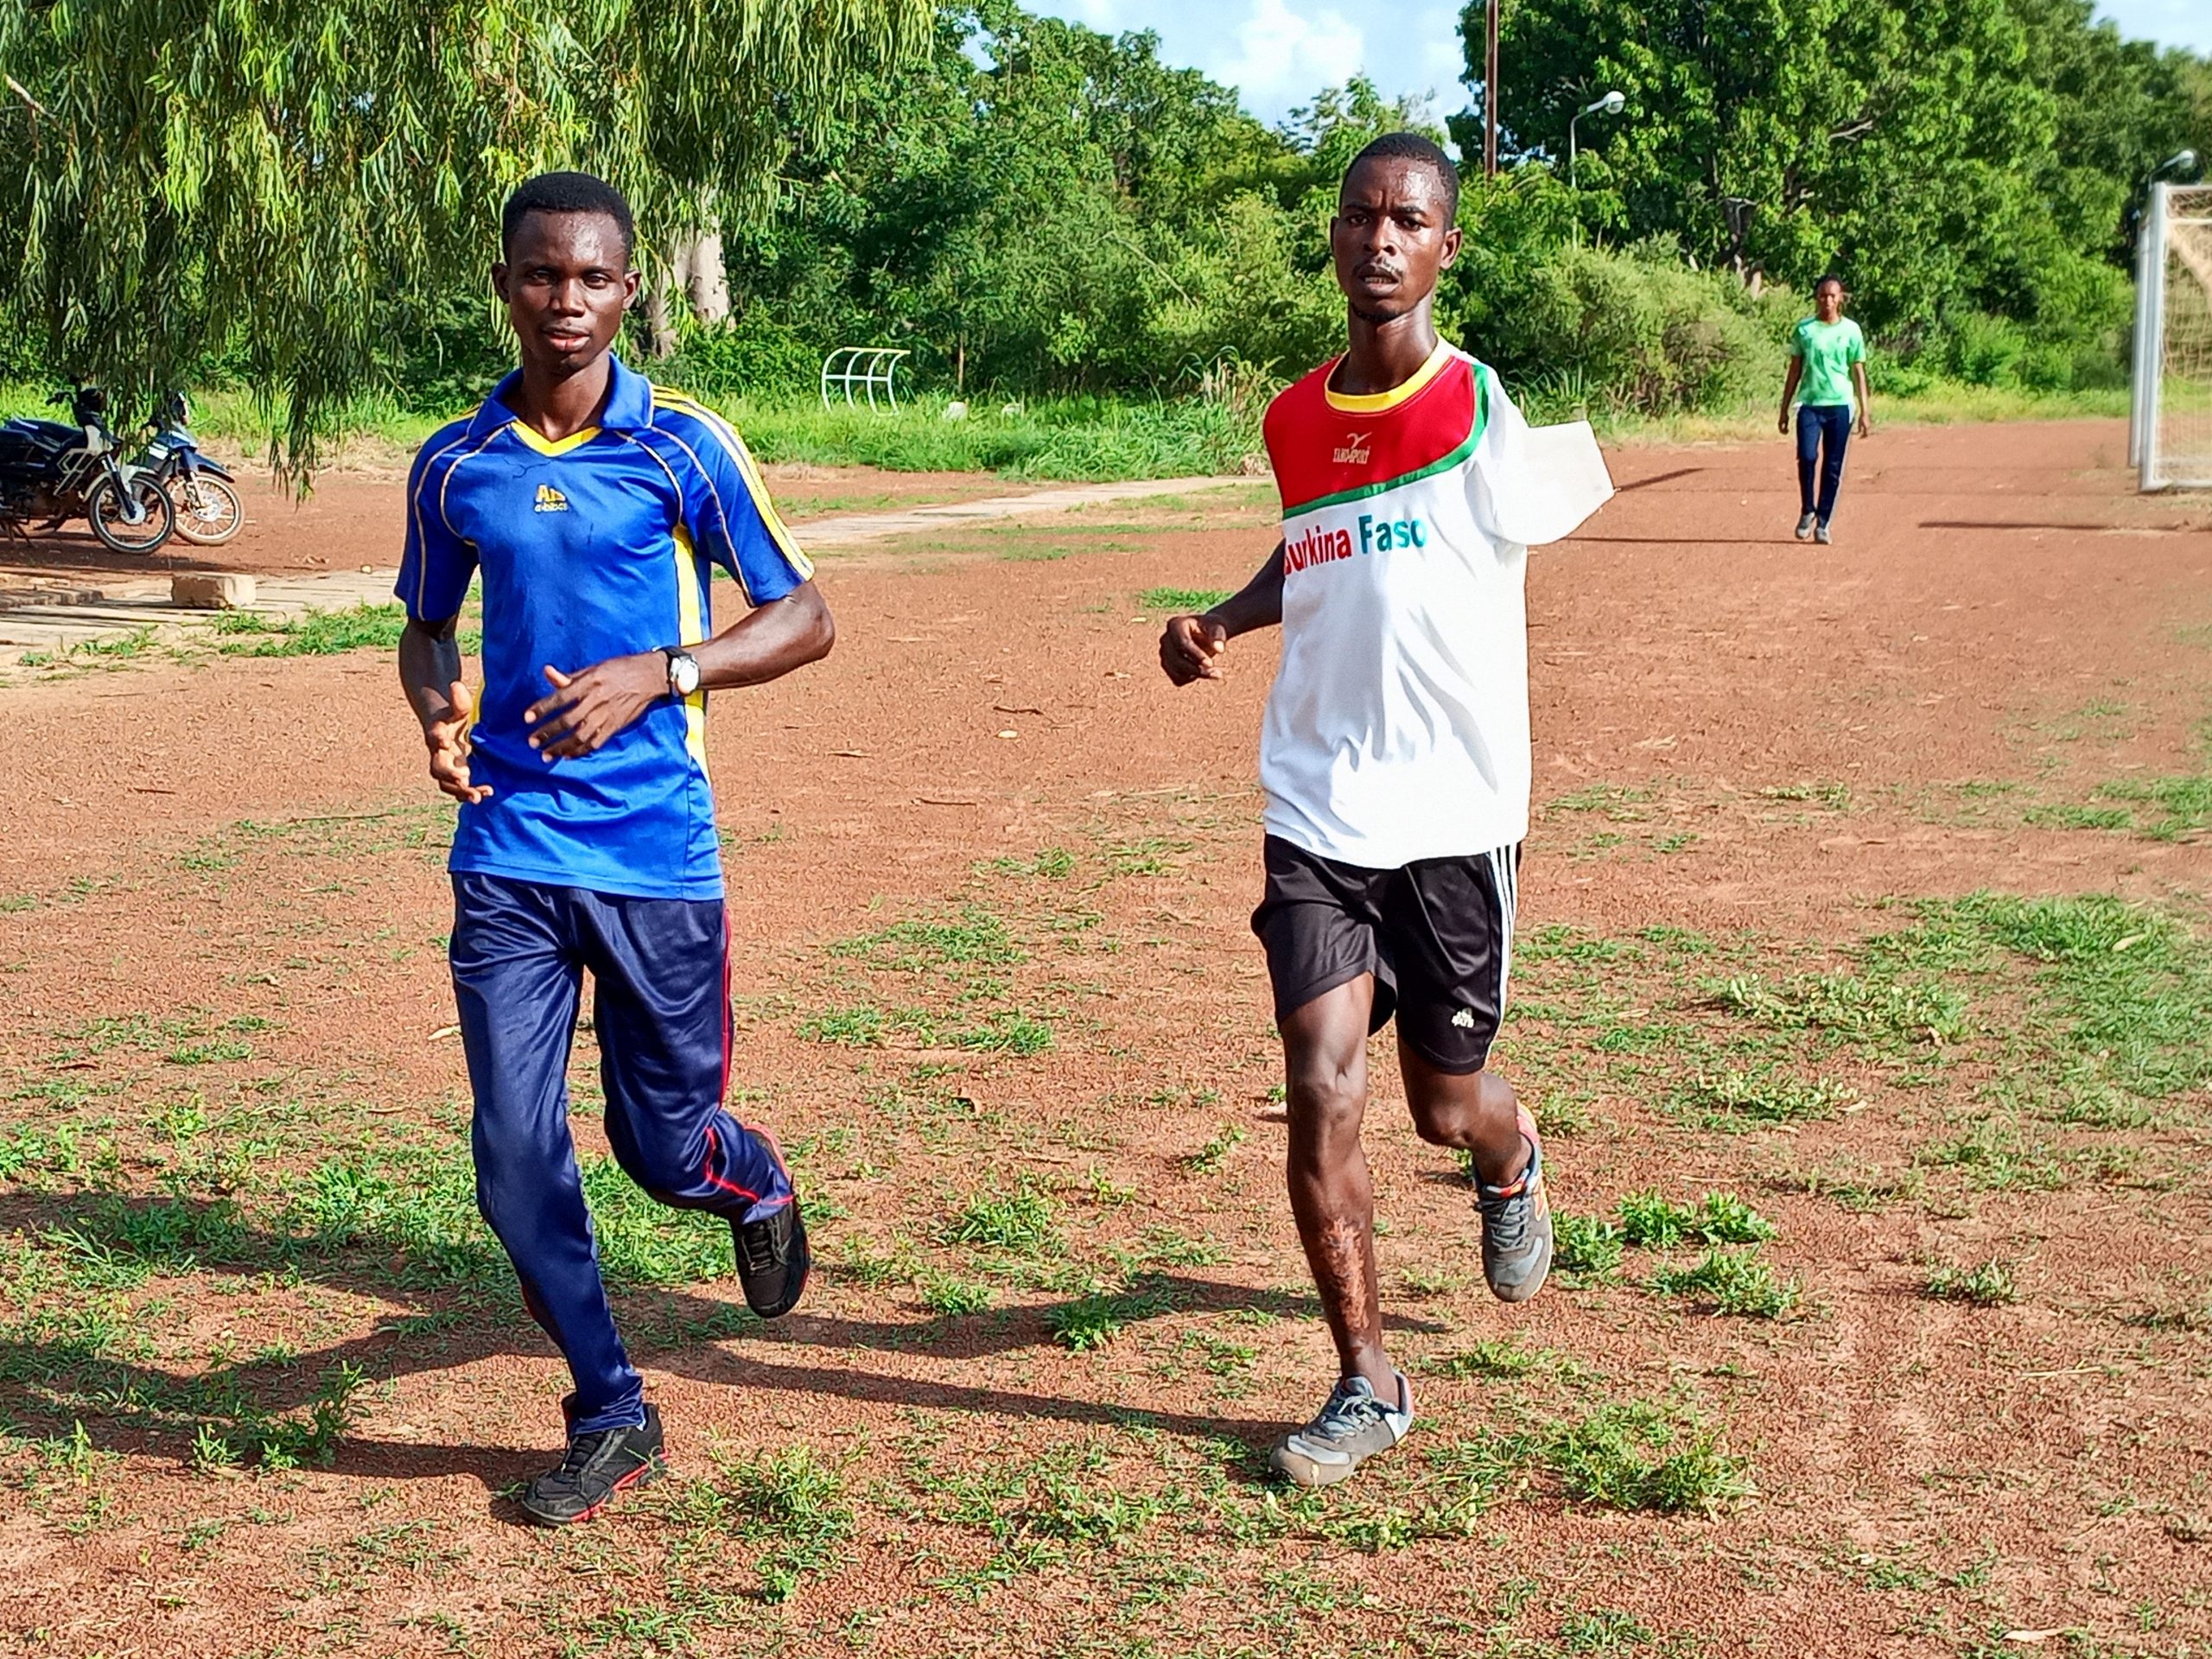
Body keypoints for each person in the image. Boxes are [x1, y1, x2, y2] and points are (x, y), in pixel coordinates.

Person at [1157, 133, 1612, 1488]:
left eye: (1408, 219)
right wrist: (1224, 621)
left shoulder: (1482, 411)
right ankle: (1367, 1382)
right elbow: (1315, 545)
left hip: (1458, 814)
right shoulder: (1294, 417)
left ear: (1444, 247)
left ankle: (1511, 1154)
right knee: (1319, 1084)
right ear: (1336, 235)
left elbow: (1547, 504)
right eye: (1359, 216)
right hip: (1317, 801)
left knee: (1443, 1101)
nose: (1379, 239)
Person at [395, 172, 833, 1527]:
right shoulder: (455, 464)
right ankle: (611, 1408)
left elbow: (806, 615)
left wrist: (668, 670)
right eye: (541, 275)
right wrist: (436, 707)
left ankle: (750, 1178)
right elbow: (427, 625)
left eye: (591, 278)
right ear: (506, 284)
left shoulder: (684, 447)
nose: (565, 301)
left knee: (662, 1148)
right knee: (515, 1159)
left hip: (655, 858)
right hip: (508, 851)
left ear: (629, 290)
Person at [1778, 275, 1873, 544]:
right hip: (1810, 404)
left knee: (1833, 466)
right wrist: (1784, 408)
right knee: (1807, 457)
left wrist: (1864, 411)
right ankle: (1807, 509)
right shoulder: (1805, 329)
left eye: (1833, 296)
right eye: (1823, 295)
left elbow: (1858, 371)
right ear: (1816, 297)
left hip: (1840, 405)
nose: (1827, 301)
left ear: (1841, 298)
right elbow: (1794, 370)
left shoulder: (1851, 331)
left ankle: (1824, 521)